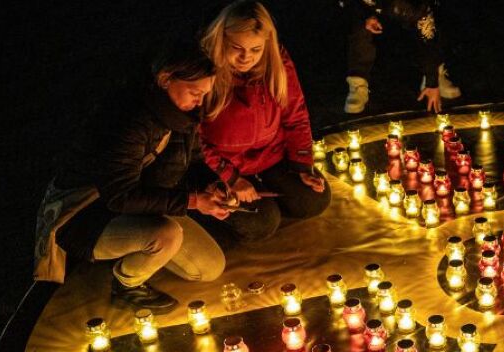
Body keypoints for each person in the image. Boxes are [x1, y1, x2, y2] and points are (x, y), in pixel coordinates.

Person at [32, 39, 229, 312]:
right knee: (167, 235)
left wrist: (212, 185)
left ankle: (141, 243)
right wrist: (194, 201)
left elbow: (193, 160)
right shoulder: (129, 119)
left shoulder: (181, 115)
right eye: (195, 91)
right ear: (164, 79)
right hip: (89, 211)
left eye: (205, 93)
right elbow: (119, 195)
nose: (200, 101)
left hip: (144, 201)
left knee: (209, 268)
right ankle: (126, 284)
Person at [199, 0, 330, 243]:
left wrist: (302, 164)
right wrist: (232, 178)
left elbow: (296, 115)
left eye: (256, 50)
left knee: (314, 200)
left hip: (271, 157)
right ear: (221, 40)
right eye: (236, 47)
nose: (245, 57)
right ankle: (206, 213)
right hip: (221, 166)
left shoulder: (277, 63)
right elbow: (195, 140)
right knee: (262, 224)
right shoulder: (203, 68)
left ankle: (268, 197)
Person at [342, 0, 461, 114]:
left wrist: (432, 81)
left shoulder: (414, 7)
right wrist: (365, 17)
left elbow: (428, 38)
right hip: (368, 10)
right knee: (358, 27)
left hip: (410, 12)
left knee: (435, 26)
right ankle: (358, 84)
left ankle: (436, 71)